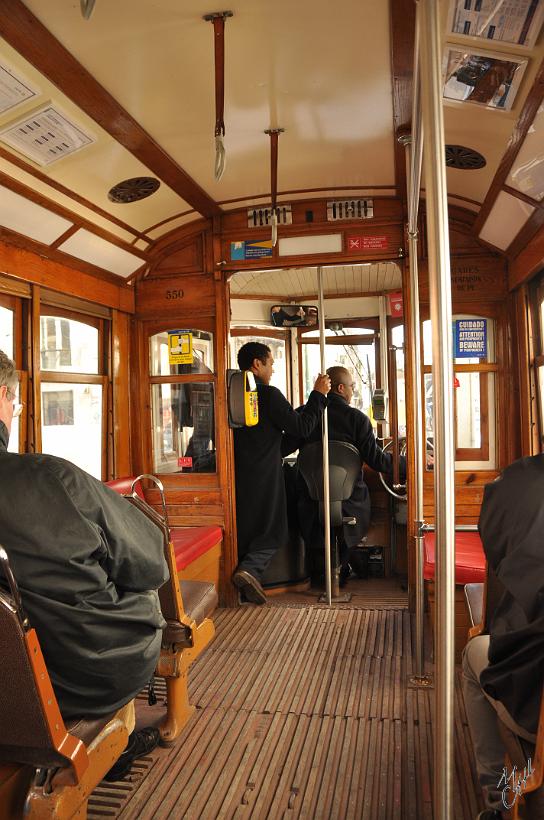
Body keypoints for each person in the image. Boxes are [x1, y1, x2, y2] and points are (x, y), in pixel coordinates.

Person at [0, 350, 169, 776]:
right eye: (16, 403)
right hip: (79, 678)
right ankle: (111, 750)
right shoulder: (52, 478)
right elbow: (151, 561)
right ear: (2, 397)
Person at [462, 455, 544, 820]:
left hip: (535, 699)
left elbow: (500, 562)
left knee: (472, 654)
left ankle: (498, 802)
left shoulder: (518, 485)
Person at [282, 365, 406, 583]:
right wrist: (409, 463)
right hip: (350, 503)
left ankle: (324, 567)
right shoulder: (358, 420)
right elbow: (378, 461)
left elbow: (283, 448)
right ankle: (343, 562)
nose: (353, 391)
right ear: (340, 388)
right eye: (352, 386)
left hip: (310, 503)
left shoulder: (304, 414)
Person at [232, 342, 330, 604]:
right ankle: (249, 570)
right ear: (257, 364)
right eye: (271, 363)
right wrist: (318, 395)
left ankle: (245, 576)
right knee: (275, 528)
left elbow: (272, 437)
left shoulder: (232, 395)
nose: (273, 369)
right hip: (265, 475)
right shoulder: (268, 394)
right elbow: (301, 427)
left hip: (236, 474)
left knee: (247, 527)